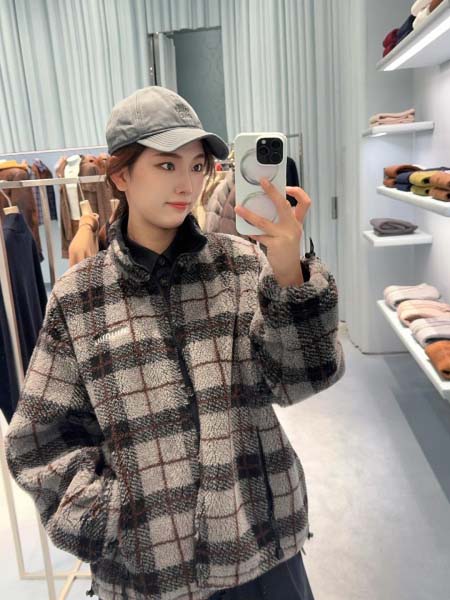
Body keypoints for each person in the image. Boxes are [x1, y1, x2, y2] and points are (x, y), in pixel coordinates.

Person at [5, 86, 345, 600]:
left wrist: (289, 276)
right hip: (149, 576)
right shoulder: (81, 297)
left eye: (197, 165)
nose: (187, 183)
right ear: (120, 174)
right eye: (167, 165)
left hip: (263, 550)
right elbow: (38, 443)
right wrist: (118, 520)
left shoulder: (239, 264)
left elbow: (299, 380)